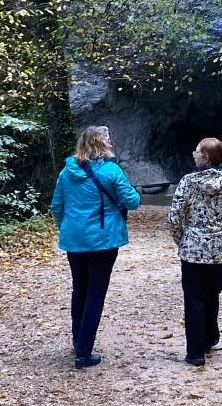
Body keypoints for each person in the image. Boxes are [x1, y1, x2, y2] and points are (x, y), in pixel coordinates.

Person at [51, 125, 141, 368]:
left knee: (79, 289)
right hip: (103, 241)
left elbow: (57, 206)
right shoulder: (111, 171)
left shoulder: (66, 172)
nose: (111, 143)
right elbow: (132, 201)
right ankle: (83, 352)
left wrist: (69, 227)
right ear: (100, 144)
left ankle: (78, 340)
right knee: (95, 293)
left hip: (75, 241)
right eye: (108, 140)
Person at [168, 137, 222, 366]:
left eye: (196, 151)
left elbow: (174, 218)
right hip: (218, 250)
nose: (193, 153)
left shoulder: (187, 182)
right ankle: (210, 337)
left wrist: (182, 240)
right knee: (213, 293)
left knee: (194, 297)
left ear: (204, 157)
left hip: (192, 249)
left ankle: (195, 352)